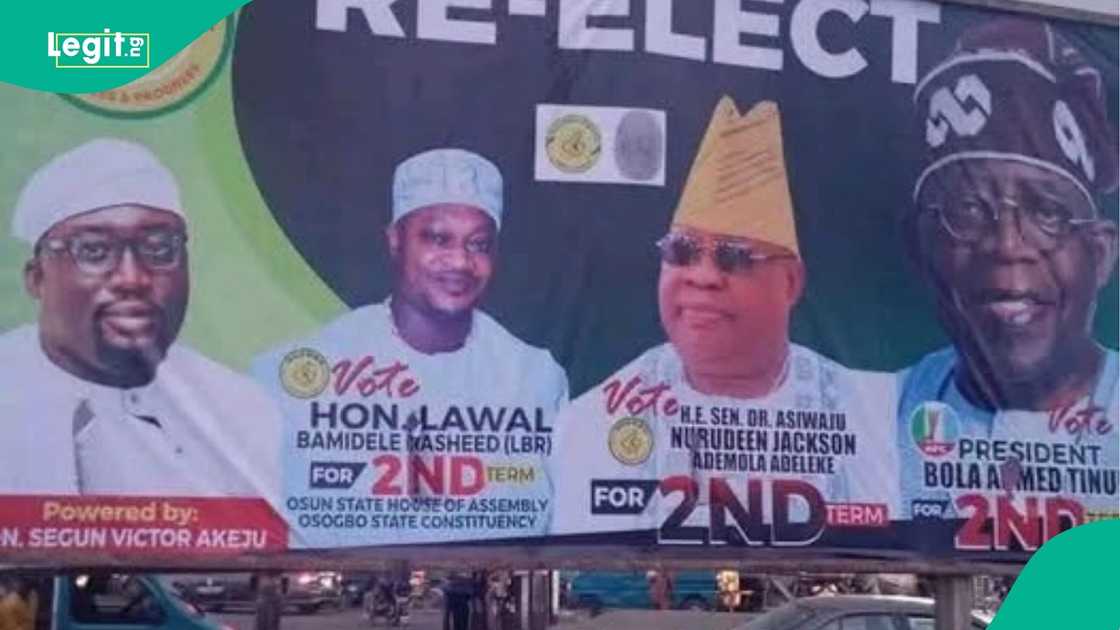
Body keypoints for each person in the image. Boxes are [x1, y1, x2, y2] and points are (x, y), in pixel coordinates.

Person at [550, 97, 898, 537]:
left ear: (790, 283)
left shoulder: (872, 412)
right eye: (682, 251)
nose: (703, 276)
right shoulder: (592, 420)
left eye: (735, 258)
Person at [253, 148, 568, 544]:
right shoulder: (301, 368)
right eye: (438, 239)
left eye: (479, 244)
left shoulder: (534, 376)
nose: (459, 261)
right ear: (395, 241)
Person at [899, 18, 1119, 523]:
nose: (1008, 245)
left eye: (1048, 212)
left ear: (1101, 254)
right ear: (920, 247)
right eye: (968, 211)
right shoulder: (879, 414)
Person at [0, 138, 281, 499]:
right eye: (94, 250)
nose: (132, 278)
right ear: (37, 278)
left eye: (160, 249)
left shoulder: (242, 409)